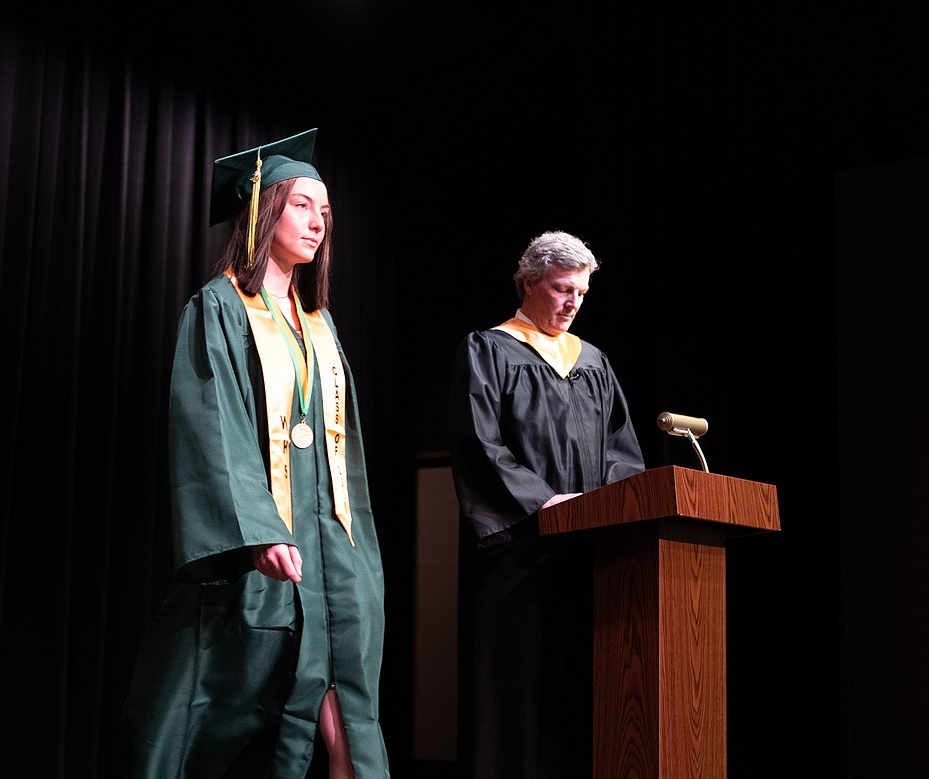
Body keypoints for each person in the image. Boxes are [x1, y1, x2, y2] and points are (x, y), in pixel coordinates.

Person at [121, 129, 389, 779]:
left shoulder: (320, 324)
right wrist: (260, 530)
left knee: (349, 715)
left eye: (325, 212)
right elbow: (214, 425)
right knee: (206, 707)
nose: (318, 222)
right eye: (302, 205)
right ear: (262, 209)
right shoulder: (217, 307)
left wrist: (353, 558)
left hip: (333, 556)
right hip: (257, 553)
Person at [448, 230, 645, 779]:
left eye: (581, 293)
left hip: (586, 550)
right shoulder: (489, 349)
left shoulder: (593, 361)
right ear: (530, 282)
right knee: (514, 691)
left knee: (576, 689)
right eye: (561, 290)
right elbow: (479, 445)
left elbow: (621, 450)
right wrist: (544, 500)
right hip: (519, 550)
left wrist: (609, 506)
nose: (571, 303)